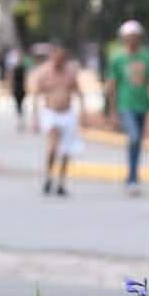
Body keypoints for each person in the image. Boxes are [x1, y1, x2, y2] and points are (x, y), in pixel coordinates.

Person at [108, 20, 149, 195]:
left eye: (135, 37)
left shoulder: (147, 57)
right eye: (128, 37)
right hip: (125, 104)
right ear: (123, 38)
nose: (132, 40)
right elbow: (112, 85)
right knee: (134, 137)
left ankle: (132, 174)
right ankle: (132, 178)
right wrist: (112, 111)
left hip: (143, 104)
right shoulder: (117, 58)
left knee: (138, 141)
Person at [29, 46, 85, 196]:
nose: (58, 62)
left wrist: (83, 113)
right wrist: (35, 117)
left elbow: (79, 93)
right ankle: (48, 176)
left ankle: (61, 182)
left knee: (66, 150)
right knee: (53, 148)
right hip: (50, 114)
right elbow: (35, 95)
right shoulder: (43, 72)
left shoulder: (70, 73)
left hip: (67, 114)